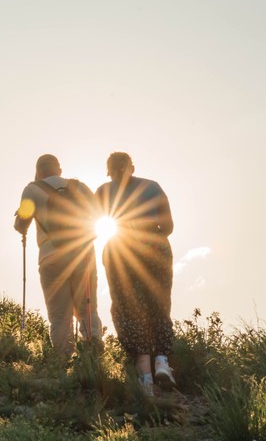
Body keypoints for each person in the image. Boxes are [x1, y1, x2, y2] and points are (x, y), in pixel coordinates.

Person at [95, 152, 175, 396]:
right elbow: (169, 226)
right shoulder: (152, 187)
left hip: (121, 250)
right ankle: (162, 361)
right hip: (155, 248)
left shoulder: (103, 191)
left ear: (109, 171)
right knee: (159, 304)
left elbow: (91, 222)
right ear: (132, 167)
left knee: (127, 309)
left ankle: (145, 378)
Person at [14, 154, 103, 357]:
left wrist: (20, 221)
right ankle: (93, 352)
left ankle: (63, 361)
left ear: (38, 172)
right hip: (83, 255)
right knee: (87, 307)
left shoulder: (32, 189)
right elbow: (99, 212)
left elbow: (22, 225)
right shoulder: (78, 186)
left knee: (59, 315)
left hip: (50, 257)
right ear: (59, 170)